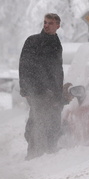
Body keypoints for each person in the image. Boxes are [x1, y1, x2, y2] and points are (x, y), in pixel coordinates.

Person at [18, 13, 64, 159]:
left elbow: (57, 68)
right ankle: (33, 154)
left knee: (53, 121)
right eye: (45, 22)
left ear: (58, 25)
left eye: (50, 23)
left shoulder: (56, 43)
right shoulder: (33, 41)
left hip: (53, 91)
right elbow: (24, 66)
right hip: (36, 90)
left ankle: (49, 152)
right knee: (38, 120)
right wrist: (25, 88)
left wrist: (59, 90)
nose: (46, 25)